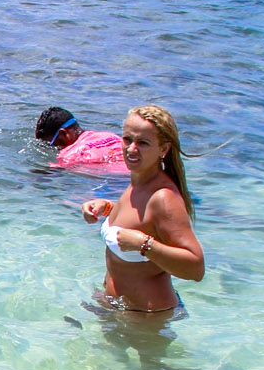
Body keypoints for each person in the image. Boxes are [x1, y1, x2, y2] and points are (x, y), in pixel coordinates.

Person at [80, 105, 204, 313]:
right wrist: (107, 207)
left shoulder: (163, 198)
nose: (131, 149)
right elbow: (141, 219)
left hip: (146, 317)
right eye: (127, 139)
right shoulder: (139, 180)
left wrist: (144, 245)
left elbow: (196, 268)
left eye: (143, 143)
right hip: (118, 306)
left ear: (163, 149)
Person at [34, 106, 126, 172]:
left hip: (117, 181)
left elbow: (48, 176)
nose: (54, 148)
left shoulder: (68, 156)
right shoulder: (111, 136)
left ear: (63, 133)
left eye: (51, 144)